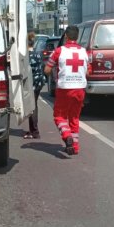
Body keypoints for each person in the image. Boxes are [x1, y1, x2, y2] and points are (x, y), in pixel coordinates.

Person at [44, 25, 88, 156]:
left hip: (64, 88)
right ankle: (74, 146)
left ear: (66, 37)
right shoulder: (84, 51)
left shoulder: (59, 51)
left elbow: (47, 69)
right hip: (80, 88)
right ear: (77, 37)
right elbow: (88, 70)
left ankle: (66, 135)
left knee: (59, 116)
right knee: (74, 118)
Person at [24, 32, 46, 139]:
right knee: (34, 105)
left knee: (31, 106)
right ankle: (33, 130)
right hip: (39, 82)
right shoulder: (38, 54)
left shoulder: (25, 56)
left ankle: (34, 131)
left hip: (31, 83)